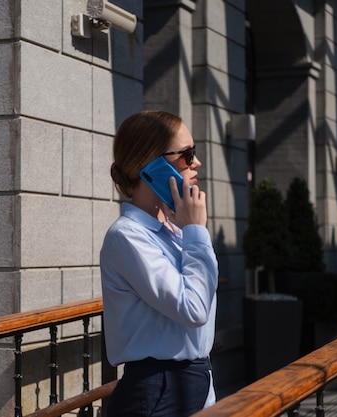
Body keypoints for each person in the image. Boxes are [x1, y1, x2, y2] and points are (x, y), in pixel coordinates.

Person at [100, 110, 219, 417]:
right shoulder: (127, 236)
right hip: (158, 390)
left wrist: (189, 229)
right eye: (187, 155)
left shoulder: (176, 228)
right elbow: (193, 308)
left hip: (193, 380)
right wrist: (196, 231)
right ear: (152, 164)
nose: (196, 163)